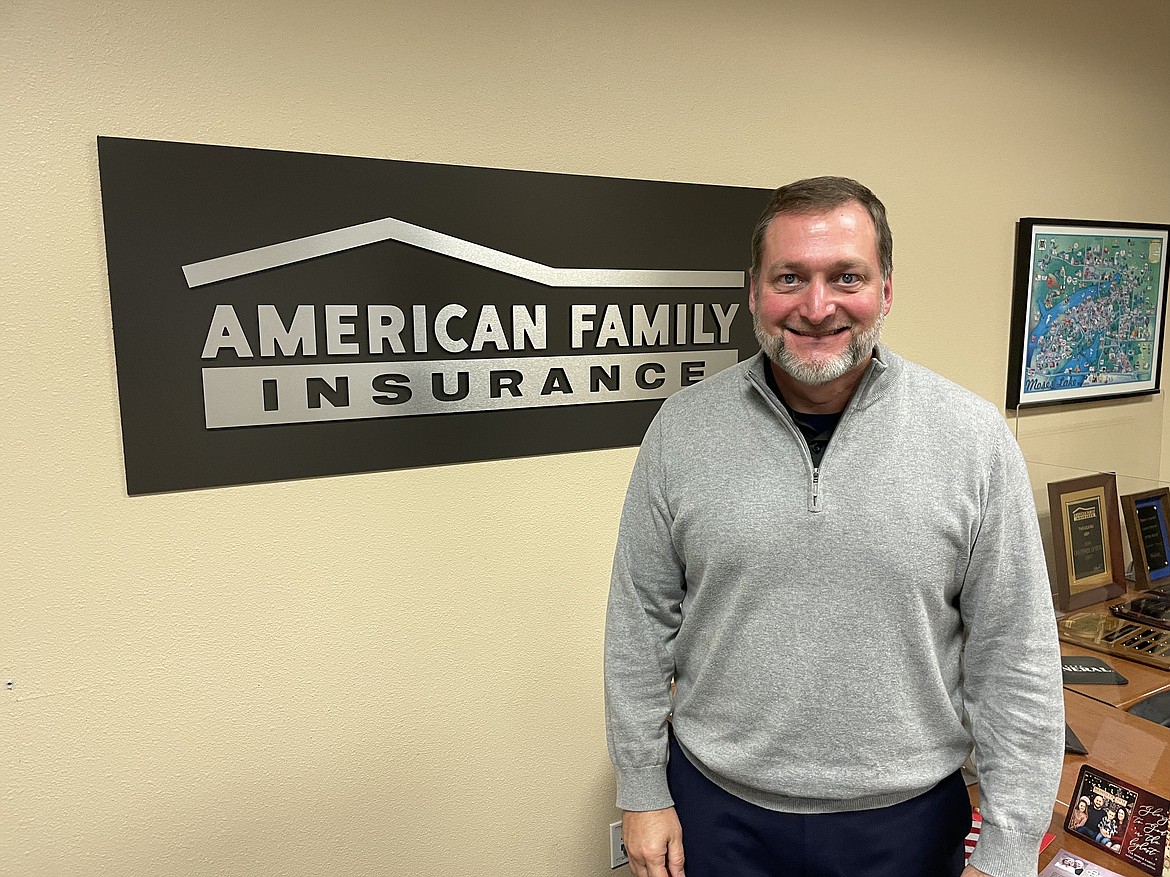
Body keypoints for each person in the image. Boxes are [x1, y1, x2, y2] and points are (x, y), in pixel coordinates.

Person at [603, 176, 1065, 877]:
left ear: (885, 289)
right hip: (719, 815)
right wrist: (640, 788)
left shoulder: (973, 440)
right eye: (790, 277)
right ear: (754, 289)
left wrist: (1008, 848)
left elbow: (1016, 657)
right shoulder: (681, 430)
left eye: (846, 276)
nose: (817, 306)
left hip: (905, 825)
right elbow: (638, 625)